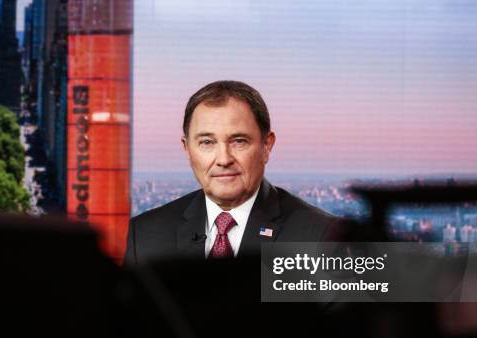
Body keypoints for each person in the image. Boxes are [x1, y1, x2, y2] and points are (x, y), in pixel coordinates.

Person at [124, 80, 343, 267]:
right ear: (187, 149)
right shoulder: (144, 236)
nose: (224, 159)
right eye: (207, 142)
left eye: (239, 141)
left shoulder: (321, 238)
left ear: (266, 146)